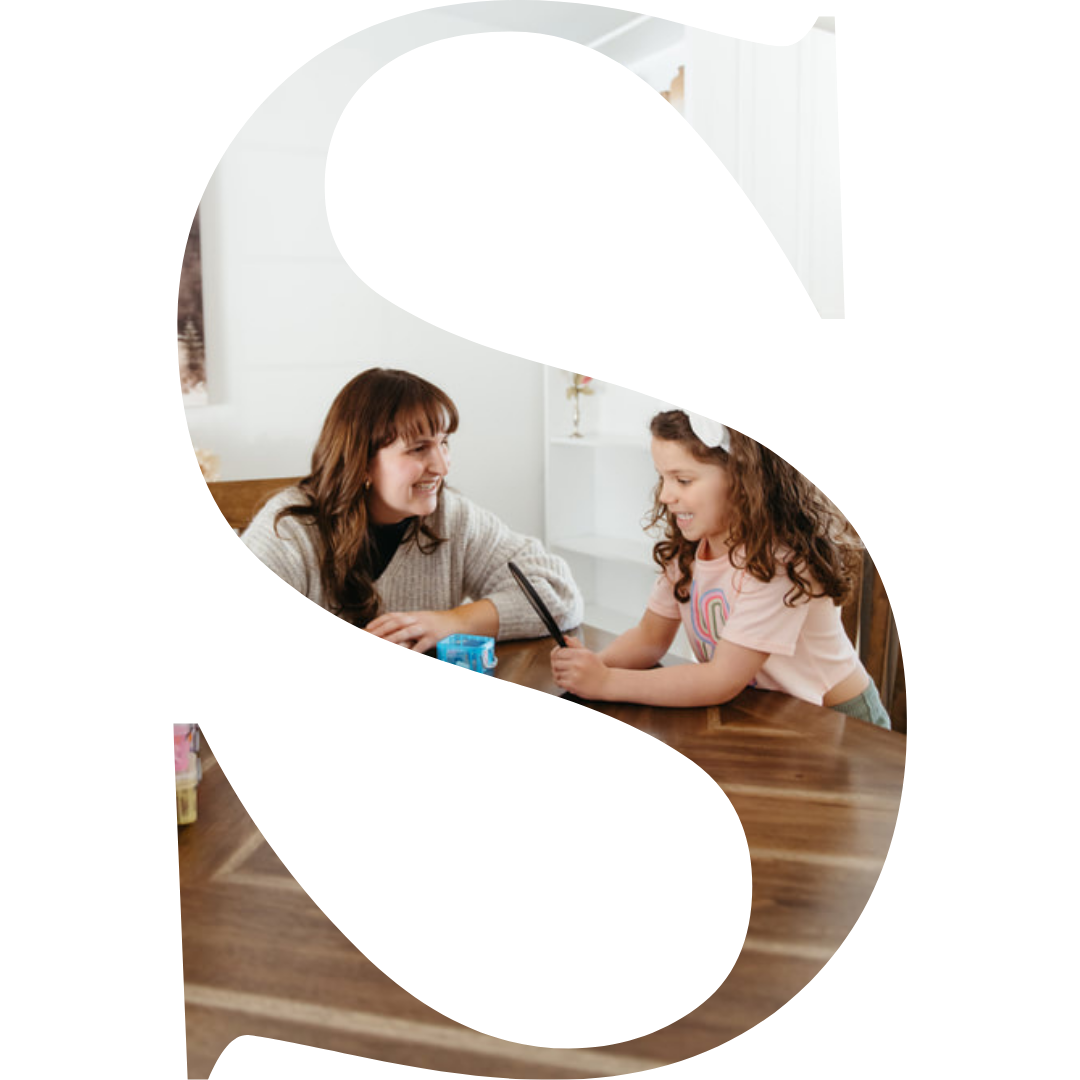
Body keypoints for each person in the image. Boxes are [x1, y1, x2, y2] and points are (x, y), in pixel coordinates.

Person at [550, 410, 892, 728]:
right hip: (766, 712)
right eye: (662, 477)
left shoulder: (777, 563)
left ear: (744, 481)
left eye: (682, 480)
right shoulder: (689, 548)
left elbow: (721, 680)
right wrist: (596, 665)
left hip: (839, 724)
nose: (665, 495)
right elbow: (650, 637)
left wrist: (607, 683)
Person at [241, 368, 583, 652]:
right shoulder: (287, 533)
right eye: (419, 449)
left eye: (444, 443)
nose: (442, 466)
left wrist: (452, 622)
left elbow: (559, 593)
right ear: (361, 463)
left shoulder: (451, 518)